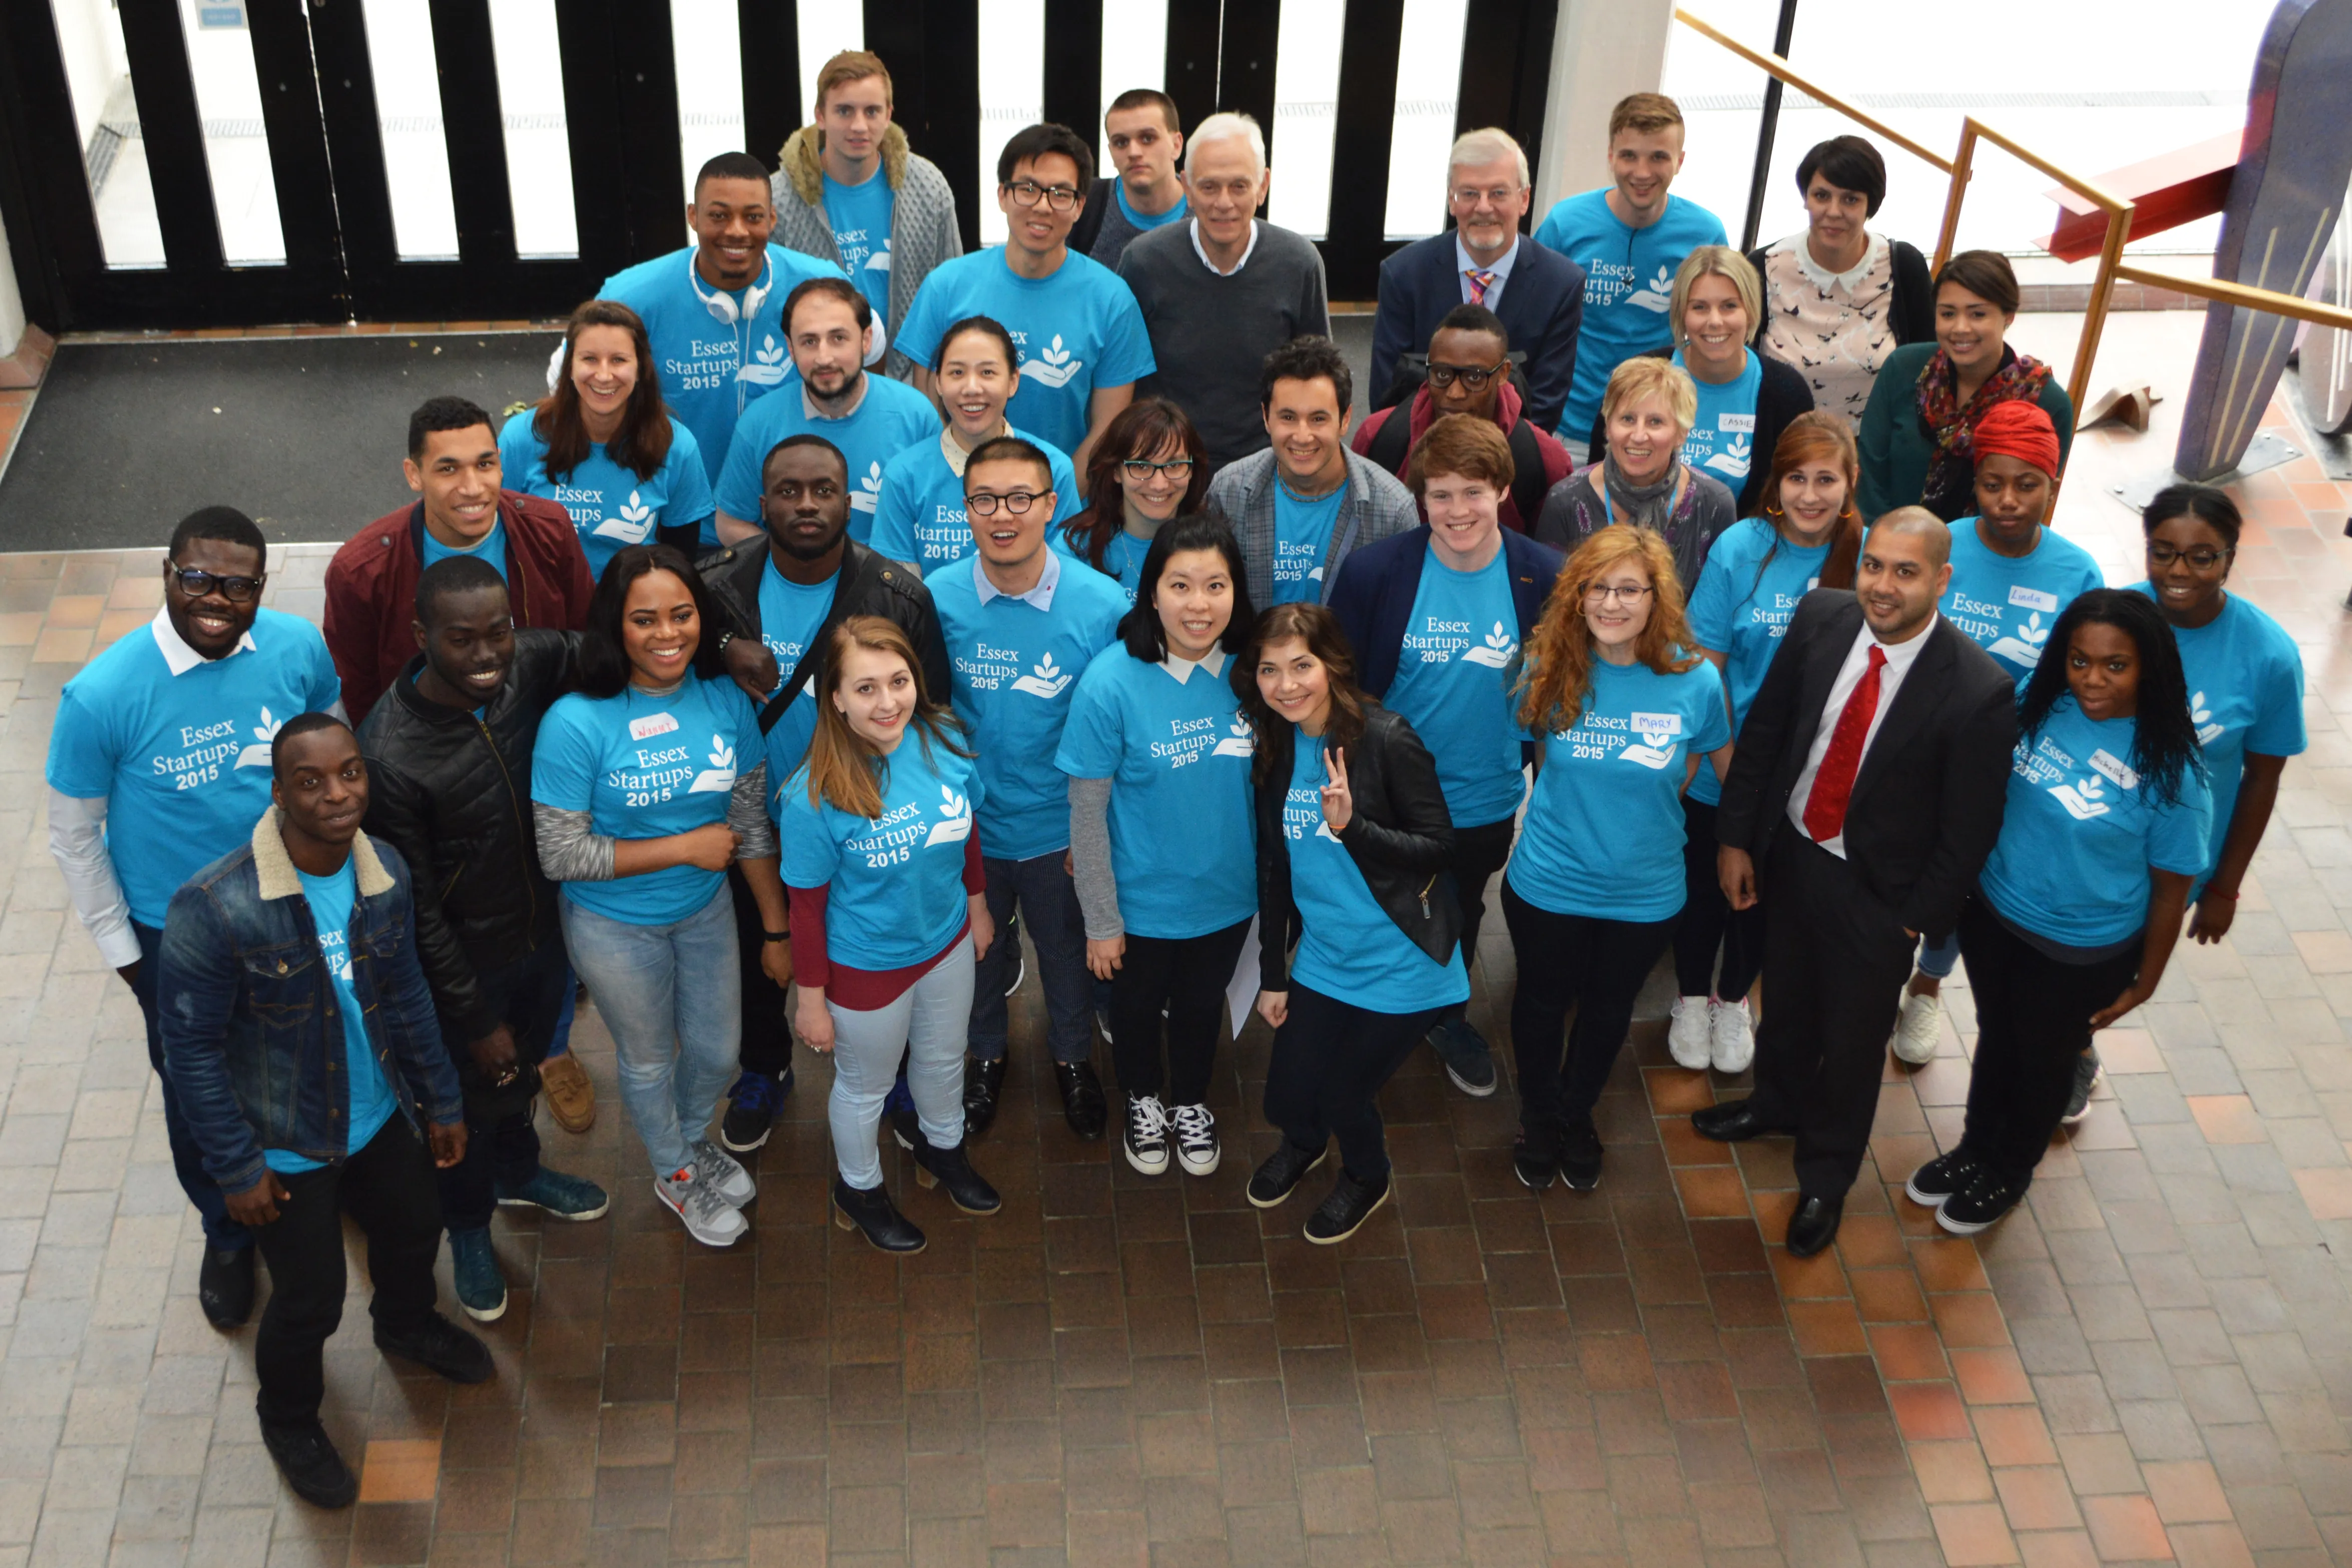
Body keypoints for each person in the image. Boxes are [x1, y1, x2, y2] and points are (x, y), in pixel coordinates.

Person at [160, 713, 488, 1509]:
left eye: (350, 774)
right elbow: (191, 1054)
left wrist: (441, 1097)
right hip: (288, 1146)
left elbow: (406, 991)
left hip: (381, 1120)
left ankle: (406, 1325)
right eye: (310, 782)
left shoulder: (385, 872)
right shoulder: (215, 906)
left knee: (415, 1233)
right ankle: (289, 1417)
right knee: (308, 1301)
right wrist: (238, 1169)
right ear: (278, 794)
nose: (337, 794)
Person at [46, 506, 342, 1332]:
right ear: (167, 573)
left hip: (293, 898)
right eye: (199, 579)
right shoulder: (102, 694)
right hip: (175, 937)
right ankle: (226, 1228)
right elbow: (73, 837)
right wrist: (128, 958)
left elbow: (329, 731)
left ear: (261, 585)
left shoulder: (294, 646)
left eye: (238, 583)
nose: (218, 598)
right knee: (196, 1090)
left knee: (317, 1037)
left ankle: (326, 1174)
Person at [1693, 510, 2016, 1257]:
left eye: (1905, 572)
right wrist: (1736, 837)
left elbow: (1968, 830)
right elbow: (1767, 732)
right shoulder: (1819, 616)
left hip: (1881, 898)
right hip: (1793, 853)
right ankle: (1773, 1104)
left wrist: (1913, 921)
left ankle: (1825, 1177)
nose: (1882, 585)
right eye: (1874, 565)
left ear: (1941, 579)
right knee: (1788, 996)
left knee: (1850, 1040)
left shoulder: (1977, 690)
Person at [355, 558, 614, 1323]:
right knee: (464, 1101)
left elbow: (601, 646)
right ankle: (468, 1229)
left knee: (523, 1074)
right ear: (420, 636)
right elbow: (416, 912)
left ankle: (520, 1173)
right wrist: (471, 1017)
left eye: (497, 632)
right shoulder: (388, 754)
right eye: (461, 639)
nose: (485, 656)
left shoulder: (528, 662)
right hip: (460, 973)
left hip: (543, 938)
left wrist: (720, 646)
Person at [1905, 591, 2211, 1234]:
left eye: (2115, 666)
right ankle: (1974, 1151)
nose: (2093, 680)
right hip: (1995, 917)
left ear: (2149, 667)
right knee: (1998, 1036)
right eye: (2079, 660)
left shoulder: (2175, 772)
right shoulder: (2037, 704)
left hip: (2080, 950)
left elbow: (2170, 891)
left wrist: (2146, 981)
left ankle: (2010, 1171)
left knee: (2043, 1062)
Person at [699, 434, 953, 1151]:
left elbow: (930, 712)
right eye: (788, 490)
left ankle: (896, 1072)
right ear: (762, 501)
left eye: (823, 490)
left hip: (865, 820)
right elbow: (661, 652)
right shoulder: (713, 585)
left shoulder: (899, 596)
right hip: (752, 822)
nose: (806, 504)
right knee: (760, 947)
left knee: (879, 946)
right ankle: (765, 1069)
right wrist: (720, 647)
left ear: (849, 500)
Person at [530, 545, 782, 1248]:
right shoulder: (575, 722)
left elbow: (749, 821)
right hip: (613, 928)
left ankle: (690, 1139)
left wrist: (775, 928)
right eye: (645, 620)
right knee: (647, 1061)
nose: (667, 634)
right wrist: (682, 848)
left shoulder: (725, 701)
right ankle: (673, 1173)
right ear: (615, 626)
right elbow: (560, 855)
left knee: (717, 1051)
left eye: (682, 615)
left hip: (705, 910)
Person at [1331, 415, 1563, 1098]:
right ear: (1419, 498)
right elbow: (1347, 689)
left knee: (1460, 911)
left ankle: (1444, 1016)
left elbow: (1556, 697)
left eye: (1471, 491)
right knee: (1375, 903)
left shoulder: (1542, 576)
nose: (1455, 510)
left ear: (1500, 489)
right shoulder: (1376, 572)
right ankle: (1364, 1014)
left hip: (1487, 794)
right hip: (1390, 797)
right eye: (1439, 494)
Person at [1503, 526, 1731, 1191]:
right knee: (1541, 1005)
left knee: (1607, 1012)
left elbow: (1693, 772)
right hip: (1548, 883)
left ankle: (1577, 1113)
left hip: (1645, 895)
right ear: (1574, 597)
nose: (1610, 603)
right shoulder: (1542, 667)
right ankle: (1538, 1116)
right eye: (1596, 588)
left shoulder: (1694, 679)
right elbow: (1543, 765)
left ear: (1656, 597)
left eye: (1628, 589)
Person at [1889, 401, 2102, 1066]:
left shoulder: (2076, 574)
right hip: (1929, 762)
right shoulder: (1936, 547)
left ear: (2053, 485)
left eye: (2026, 484)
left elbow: (2084, 684)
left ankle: (2032, 1024)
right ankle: (1920, 983)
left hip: (2021, 769)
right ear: (1972, 480)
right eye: (1991, 484)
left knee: (1986, 887)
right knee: (1936, 875)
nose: (2007, 501)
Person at [1243, 603, 1464, 1241]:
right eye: (1269, 670)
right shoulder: (1277, 742)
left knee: (1345, 1095)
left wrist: (1354, 829)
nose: (1286, 685)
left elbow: (1440, 847)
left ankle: (1367, 1176)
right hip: (1326, 957)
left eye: (1302, 666)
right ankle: (1305, 1145)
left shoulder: (1387, 738)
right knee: (1288, 1091)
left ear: (1334, 664)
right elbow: (1274, 866)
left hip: (1404, 961)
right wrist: (1272, 974)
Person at [783, 617, 1001, 1253]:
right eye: (867, 688)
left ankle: (944, 1151)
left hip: (947, 943)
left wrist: (980, 908)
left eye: (899, 681)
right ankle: (859, 1188)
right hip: (866, 969)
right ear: (837, 699)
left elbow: (969, 831)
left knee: (940, 1060)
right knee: (864, 1087)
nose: (888, 703)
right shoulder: (813, 796)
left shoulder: (942, 738)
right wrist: (812, 1002)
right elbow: (806, 911)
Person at [931, 439, 1128, 1137]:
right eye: (984, 500)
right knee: (979, 959)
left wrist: (1097, 838)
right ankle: (985, 1056)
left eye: (1021, 498)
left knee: (1068, 958)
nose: (1002, 514)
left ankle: (1073, 1060)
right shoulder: (935, 599)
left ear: (1051, 506)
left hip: (1060, 833)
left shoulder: (1103, 606)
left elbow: (1117, 731)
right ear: (966, 511)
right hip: (971, 831)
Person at [1055, 515, 1260, 1180]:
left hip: (1227, 899)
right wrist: (1102, 920)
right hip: (1139, 904)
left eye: (1215, 585)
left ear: (1236, 591)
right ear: (1150, 593)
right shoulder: (1108, 683)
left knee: (1203, 1008)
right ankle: (1143, 1100)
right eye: (1180, 586)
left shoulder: (1255, 675)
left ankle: (1192, 1102)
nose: (1198, 605)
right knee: (1137, 1013)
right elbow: (1085, 814)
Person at [1674, 414, 1862, 1074]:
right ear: (1775, 483)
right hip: (1723, 765)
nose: (1811, 495)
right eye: (1796, 478)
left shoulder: (1867, 559)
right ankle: (1691, 996)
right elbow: (1707, 669)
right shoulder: (1738, 548)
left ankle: (1733, 999)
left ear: (1849, 483)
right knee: (1703, 891)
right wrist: (1736, 775)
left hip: (1806, 784)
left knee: (1761, 903)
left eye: (1825, 479)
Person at [896, 124, 1156, 471]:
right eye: (1028, 189)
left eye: (1061, 194)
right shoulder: (945, 286)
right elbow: (928, 405)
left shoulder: (1112, 300)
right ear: (1002, 195)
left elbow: (1107, 430)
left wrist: (1057, 501)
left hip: (1065, 508)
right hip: (959, 500)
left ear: (1080, 206)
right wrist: (974, 494)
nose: (1043, 207)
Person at [327, 397, 596, 724]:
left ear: (500, 463)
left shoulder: (550, 530)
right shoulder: (360, 572)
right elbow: (362, 699)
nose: (472, 488)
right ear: (414, 475)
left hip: (540, 730)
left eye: (484, 465)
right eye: (448, 469)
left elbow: (587, 643)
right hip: (427, 751)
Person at [595, 152, 846, 495]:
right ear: (693, 216)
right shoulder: (631, 296)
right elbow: (575, 379)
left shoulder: (823, 285)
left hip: (796, 513)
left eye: (753, 216)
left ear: (772, 219)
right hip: (675, 512)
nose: (737, 231)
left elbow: (869, 357)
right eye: (719, 216)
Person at [2131, 484, 2305, 944]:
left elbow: (2262, 780)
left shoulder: (2269, 658)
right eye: (2163, 553)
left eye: (2202, 557)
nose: (2178, 571)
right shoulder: (2113, 620)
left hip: (2174, 867)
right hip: (2086, 841)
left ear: (2229, 559)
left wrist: (2224, 889)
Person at [1119, 113, 1332, 473]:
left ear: (1263, 186)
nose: (1224, 202)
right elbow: (1122, 376)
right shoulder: (1144, 262)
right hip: (1167, 465)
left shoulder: (1299, 263)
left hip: (1267, 462)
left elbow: (1319, 376)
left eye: (1239, 186)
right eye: (1209, 187)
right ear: (1185, 186)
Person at [1534, 94, 1729, 458]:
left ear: (1680, 161)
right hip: (1569, 427)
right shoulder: (1565, 224)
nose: (1642, 173)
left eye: (1658, 157)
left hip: (1656, 431)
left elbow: (1717, 334)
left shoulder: (1706, 234)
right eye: (1629, 156)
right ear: (1610, 157)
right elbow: (1532, 321)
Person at [1370, 127, 1588, 434]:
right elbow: (1388, 397)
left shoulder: (1561, 285)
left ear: (1524, 199)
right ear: (1452, 200)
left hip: (1512, 459)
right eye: (1470, 193)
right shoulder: (1404, 274)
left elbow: (1545, 406)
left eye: (1498, 193)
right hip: (1418, 452)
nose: (1483, 207)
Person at [769, 50, 964, 381]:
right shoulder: (779, 198)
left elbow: (953, 295)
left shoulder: (928, 187)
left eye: (872, 111)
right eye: (844, 111)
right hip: (816, 380)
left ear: (888, 115)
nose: (859, 125)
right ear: (820, 115)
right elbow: (770, 310)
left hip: (910, 380)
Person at [712, 276, 941, 545]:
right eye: (809, 342)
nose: (824, 358)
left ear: (866, 340)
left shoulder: (916, 415)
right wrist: (795, 568)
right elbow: (731, 523)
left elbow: (937, 517)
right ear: (790, 348)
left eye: (838, 338)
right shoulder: (759, 423)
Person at [1584, 248, 1813, 515]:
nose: (1715, 321)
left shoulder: (1786, 394)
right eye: (1700, 307)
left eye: (1729, 306)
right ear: (1682, 314)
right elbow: (1597, 483)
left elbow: (1793, 500)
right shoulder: (1636, 379)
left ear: (1751, 311)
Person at [499, 300, 715, 577]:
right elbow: (502, 540)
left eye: (619, 360)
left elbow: (679, 563)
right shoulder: (521, 438)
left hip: (631, 609)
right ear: (570, 367)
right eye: (590, 359)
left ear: (640, 369)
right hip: (545, 605)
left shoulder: (676, 446)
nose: (603, 375)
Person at [1858, 250, 2075, 522]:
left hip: (1990, 553)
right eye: (1948, 314)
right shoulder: (1903, 369)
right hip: (1890, 545)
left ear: (2009, 316)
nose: (1960, 328)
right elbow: (1870, 474)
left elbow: (2032, 504)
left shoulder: (2045, 402)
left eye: (1978, 314)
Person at [1207, 335, 1418, 608]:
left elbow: (1399, 614)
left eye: (1318, 419)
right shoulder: (1228, 492)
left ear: (1345, 420)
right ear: (1265, 417)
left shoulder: (1393, 510)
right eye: (1288, 417)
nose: (1303, 436)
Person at [1745, 136, 1937, 429]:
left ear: (1870, 204)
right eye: (1821, 196)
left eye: (1850, 199)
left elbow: (1928, 366)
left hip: (1876, 452)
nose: (1833, 212)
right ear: (1806, 198)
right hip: (1785, 448)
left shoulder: (1903, 267)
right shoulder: (1763, 267)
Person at [870, 315, 1082, 577]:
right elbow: (897, 593)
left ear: (1013, 381)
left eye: (988, 373)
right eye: (957, 373)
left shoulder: (1054, 468)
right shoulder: (903, 475)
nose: (972, 388)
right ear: (938, 381)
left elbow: (1064, 576)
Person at [1353, 303, 1574, 534]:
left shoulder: (1545, 461)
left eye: (1475, 377)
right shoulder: (1377, 436)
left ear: (1503, 374)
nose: (1454, 393)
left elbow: (1549, 557)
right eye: (1442, 374)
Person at [1533, 356, 1735, 591]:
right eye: (1628, 419)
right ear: (1608, 426)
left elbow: (1718, 612)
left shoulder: (1714, 505)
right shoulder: (1565, 501)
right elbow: (1550, 606)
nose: (1639, 436)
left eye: (1655, 422)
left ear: (1681, 433)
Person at [1060, 397, 1211, 603]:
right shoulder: (1073, 547)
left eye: (1174, 466)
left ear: (1191, 470)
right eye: (1141, 466)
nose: (1160, 484)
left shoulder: (1212, 545)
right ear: (1116, 471)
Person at [1071, 89, 1189, 268]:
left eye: (1148, 139)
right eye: (1121, 142)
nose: (1134, 152)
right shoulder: (1083, 205)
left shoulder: (1210, 209)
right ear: (1111, 152)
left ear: (1177, 145)